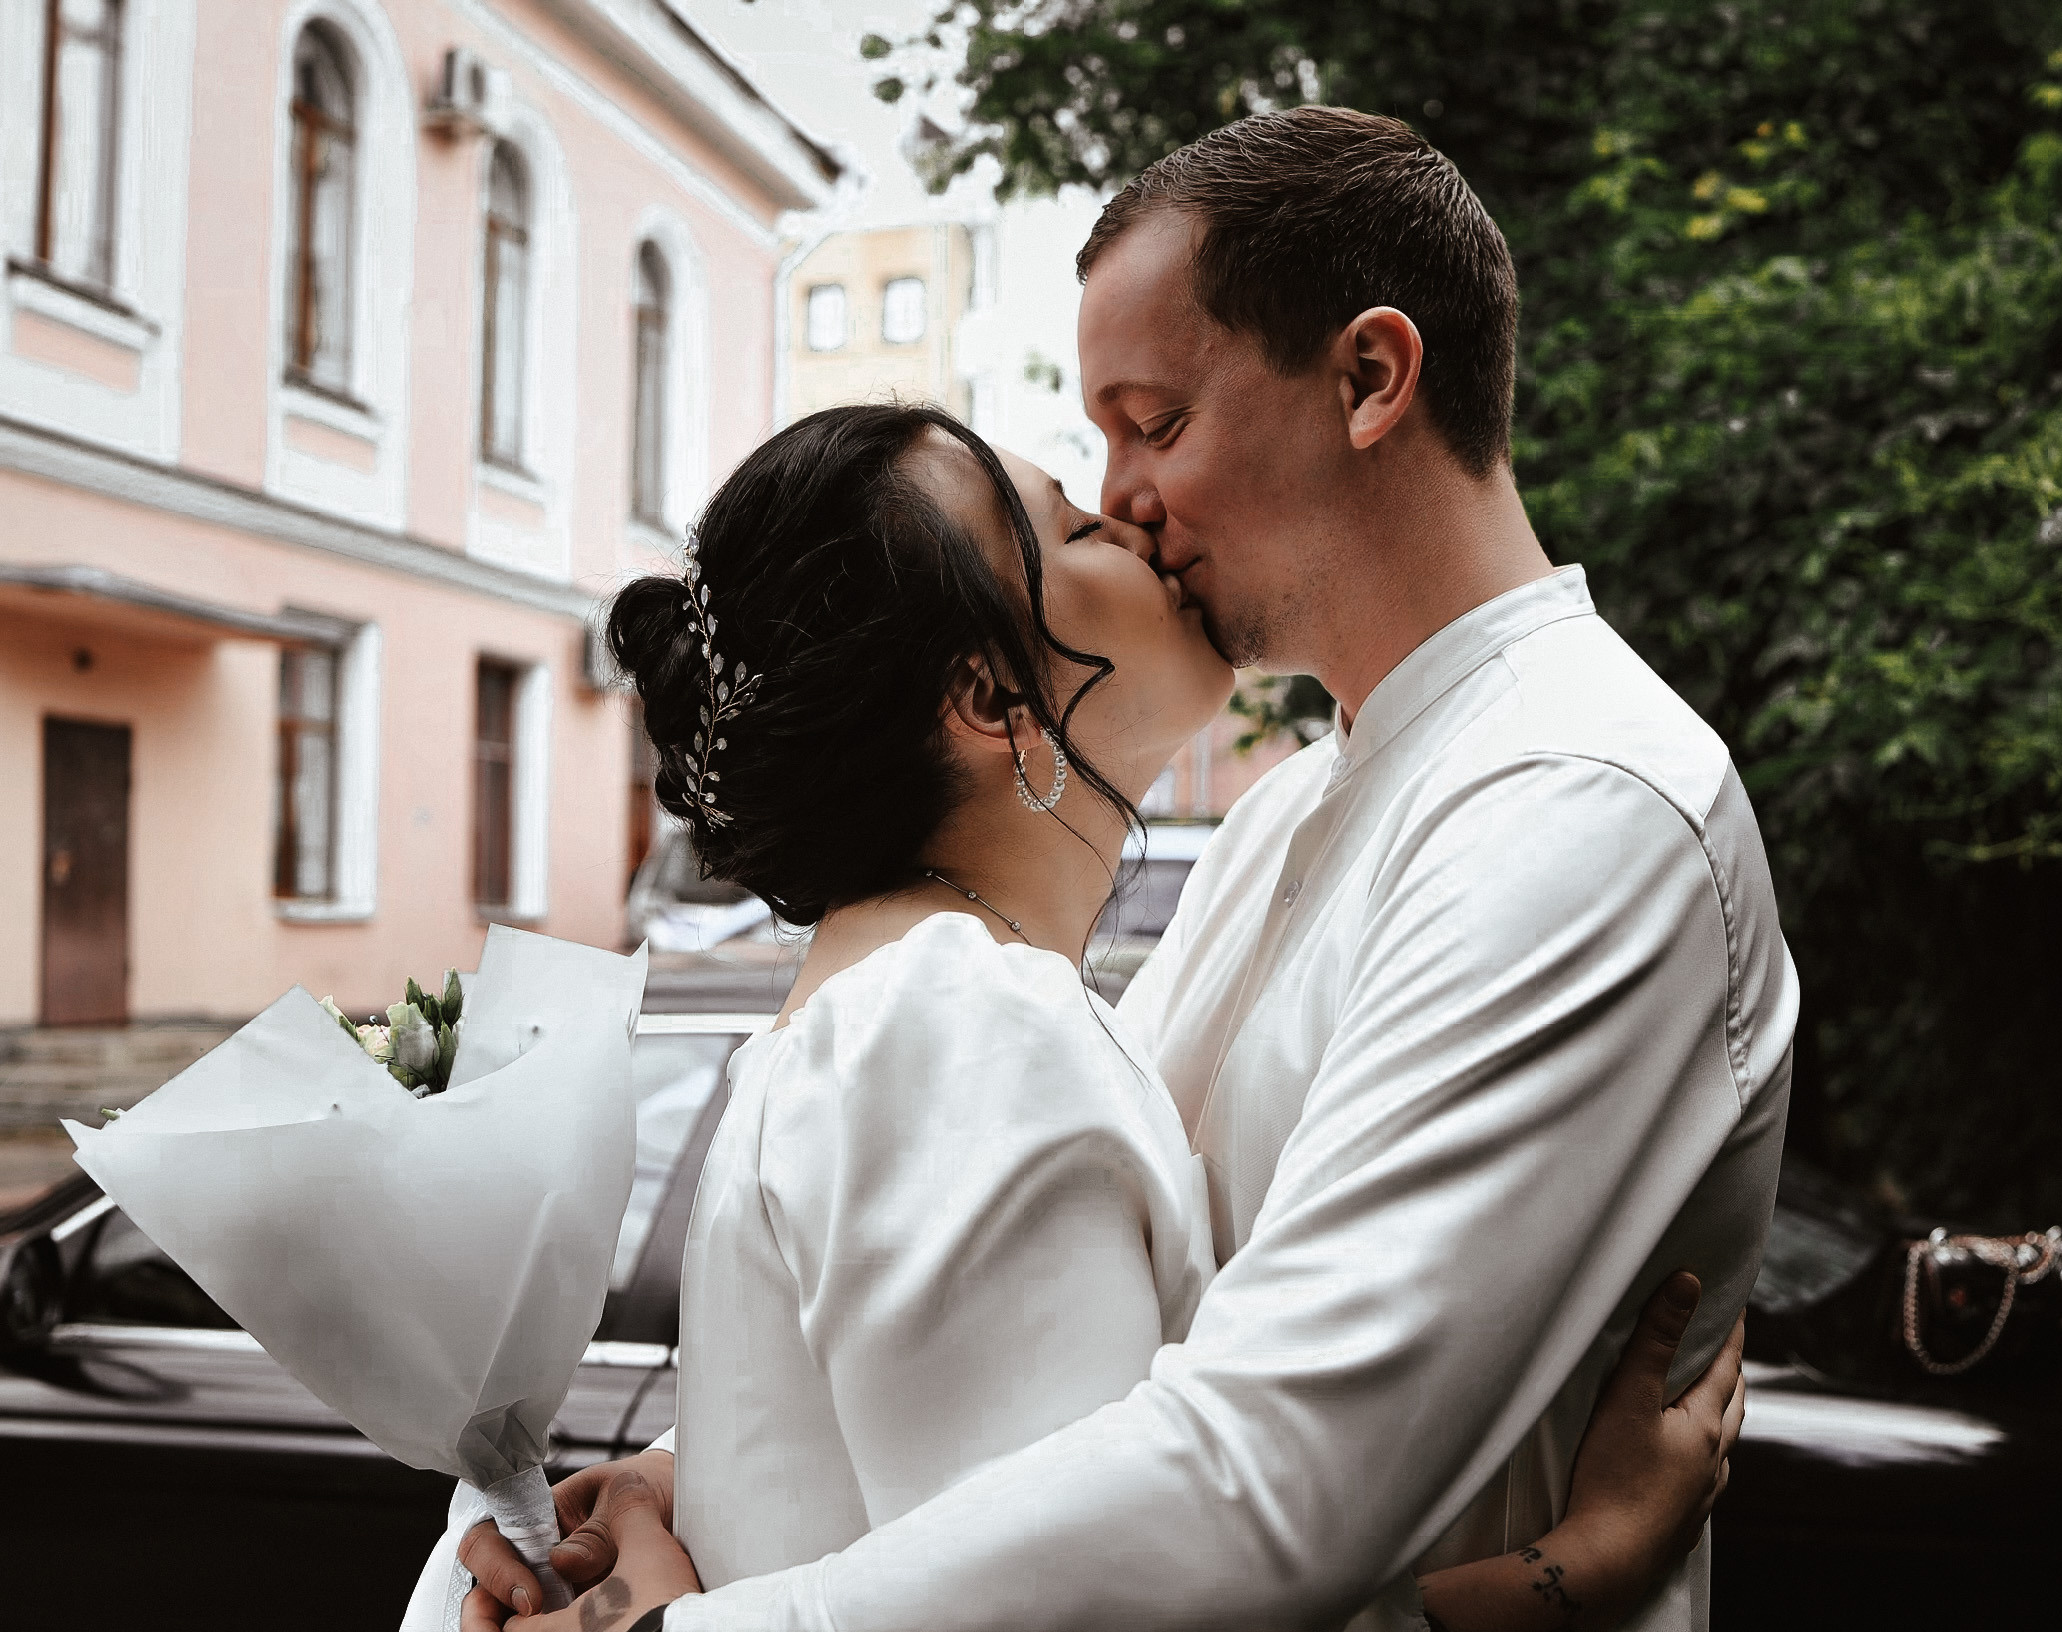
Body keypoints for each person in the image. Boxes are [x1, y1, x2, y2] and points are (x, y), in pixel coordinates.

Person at [465, 106, 1794, 1632]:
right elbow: (1027, 1323)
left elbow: (1258, 1478)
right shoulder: (1289, 821)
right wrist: (688, 1475)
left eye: (1152, 424)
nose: (1127, 503)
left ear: (1369, 378)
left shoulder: (1577, 802)